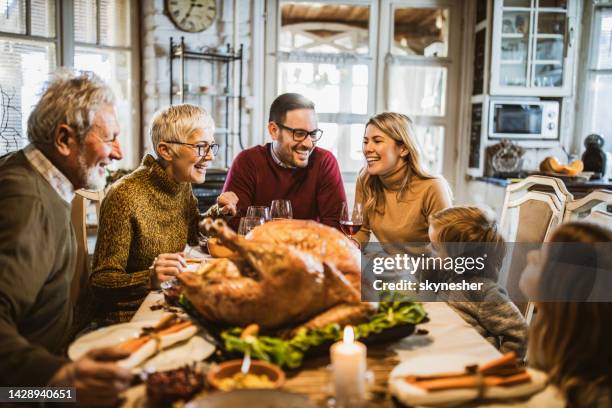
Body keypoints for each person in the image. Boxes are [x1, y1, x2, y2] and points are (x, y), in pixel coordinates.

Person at [0, 70, 132, 404]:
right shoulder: (27, 200)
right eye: (110, 138)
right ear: (64, 139)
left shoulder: (40, 179)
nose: (119, 153)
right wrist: (60, 379)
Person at [92, 104, 237, 324]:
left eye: (211, 147)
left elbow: (193, 234)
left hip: (166, 303)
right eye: (200, 147)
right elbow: (100, 282)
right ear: (166, 150)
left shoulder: (180, 184)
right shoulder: (124, 195)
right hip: (128, 317)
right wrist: (149, 278)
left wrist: (220, 212)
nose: (210, 157)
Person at [517, 222, 612, 407]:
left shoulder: (588, 393)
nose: (530, 255)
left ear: (563, 285)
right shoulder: (550, 331)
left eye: (542, 257)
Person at [222, 93, 346, 229]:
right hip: (258, 250)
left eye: (313, 134)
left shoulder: (324, 162)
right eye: (299, 134)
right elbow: (233, 225)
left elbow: (336, 228)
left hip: (308, 250)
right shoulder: (247, 162)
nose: (309, 144)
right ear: (274, 130)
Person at [428, 206, 528, 357]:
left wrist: (500, 365)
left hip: (471, 364)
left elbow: (521, 333)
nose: (428, 249)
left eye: (435, 248)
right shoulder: (449, 275)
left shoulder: (484, 292)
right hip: (443, 353)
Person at [354, 112, 452, 247]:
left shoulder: (433, 187)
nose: (367, 149)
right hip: (389, 266)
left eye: (377, 141)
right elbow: (361, 230)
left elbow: (446, 249)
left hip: (425, 267)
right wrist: (347, 249)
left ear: (404, 149)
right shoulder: (365, 179)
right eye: (365, 141)